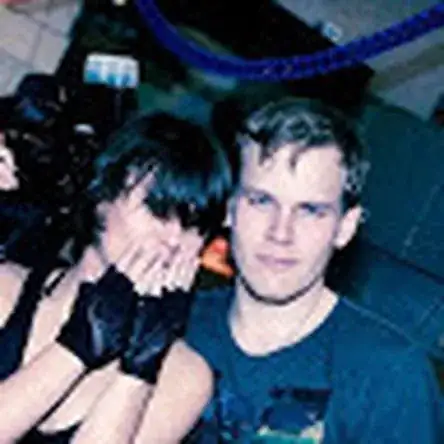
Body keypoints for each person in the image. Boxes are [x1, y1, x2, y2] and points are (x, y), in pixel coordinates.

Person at [182, 97, 443, 443]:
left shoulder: (389, 377)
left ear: (345, 227)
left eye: (310, 211)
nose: (280, 233)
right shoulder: (177, 326)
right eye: (261, 201)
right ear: (229, 209)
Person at [0, 111, 232, 443]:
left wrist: (138, 373)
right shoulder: (5, 290)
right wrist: (75, 350)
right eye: (158, 210)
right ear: (101, 197)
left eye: (195, 226)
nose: (174, 239)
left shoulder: (184, 376)